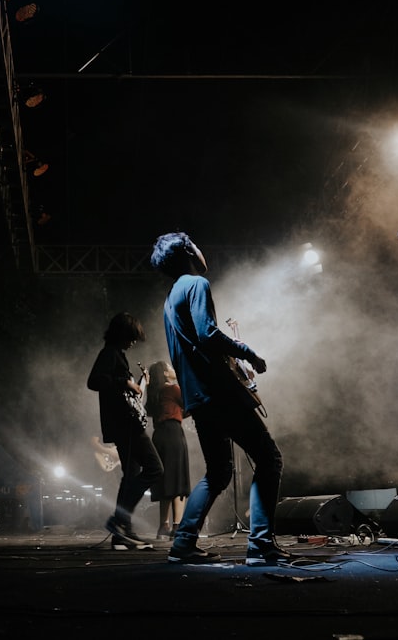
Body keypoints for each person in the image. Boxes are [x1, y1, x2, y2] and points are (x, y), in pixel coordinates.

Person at [150, 231, 289, 565]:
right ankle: (260, 545)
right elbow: (207, 333)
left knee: (217, 472)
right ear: (187, 251)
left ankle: (183, 544)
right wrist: (248, 352)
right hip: (219, 392)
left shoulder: (170, 299)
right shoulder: (196, 284)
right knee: (268, 458)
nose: (201, 248)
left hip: (198, 398)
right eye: (195, 243)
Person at [87, 311, 164, 550]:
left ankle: (122, 533)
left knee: (131, 474)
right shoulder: (109, 353)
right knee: (154, 468)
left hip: (125, 423)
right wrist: (126, 382)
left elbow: (123, 393)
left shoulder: (117, 354)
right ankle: (119, 521)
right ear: (122, 334)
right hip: (125, 425)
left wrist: (137, 386)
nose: (133, 343)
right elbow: (94, 381)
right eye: (131, 337)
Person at [145, 360, 191, 540]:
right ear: (165, 373)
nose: (173, 368)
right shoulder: (173, 389)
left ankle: (163, 525)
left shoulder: (154, 393)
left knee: (165, 481)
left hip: (159, 436)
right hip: (173, 434)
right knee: (178, 481)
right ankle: (177, 527)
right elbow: (189, 404)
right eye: (170, 367)